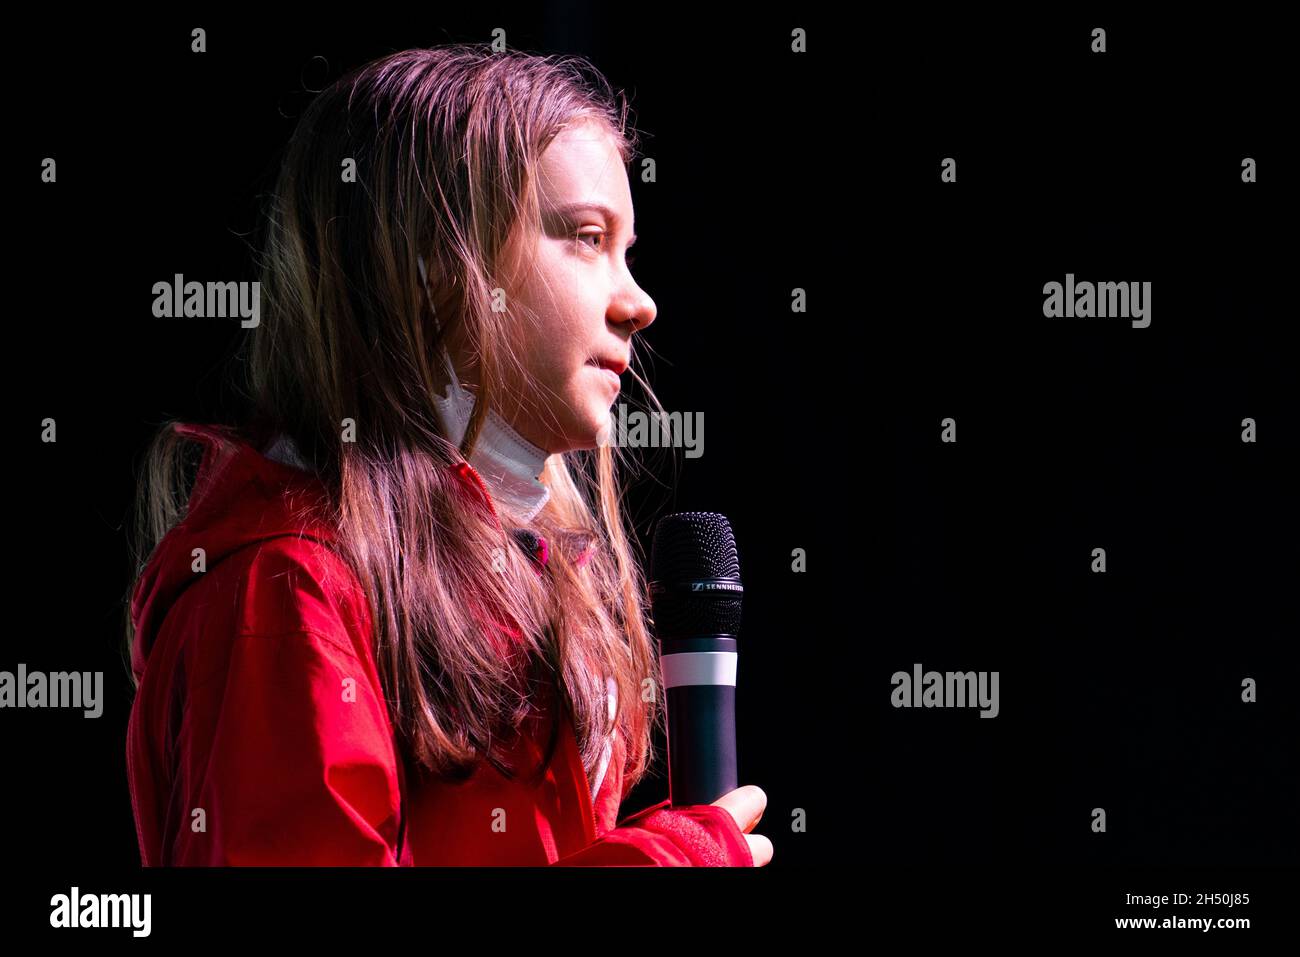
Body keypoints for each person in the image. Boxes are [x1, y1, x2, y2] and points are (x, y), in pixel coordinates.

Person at [123, 44, 772, 867]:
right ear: (434, 267)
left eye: (627, 250)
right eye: (584, 236)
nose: (638, 303)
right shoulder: (286, 586)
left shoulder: (538, 579)